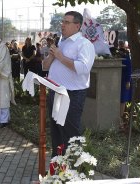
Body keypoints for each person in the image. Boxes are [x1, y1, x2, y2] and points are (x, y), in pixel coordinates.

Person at [42, 11, 95, 157]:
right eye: (62, 22)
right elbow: (45, 67)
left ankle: (73, 170)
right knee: (57, 132)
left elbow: (83, 68)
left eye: (66, 22)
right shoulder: (60, 42)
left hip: (72, 95)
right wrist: (52, 56)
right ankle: (57, 169)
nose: (62, 25)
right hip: (55, 92)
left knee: (70, 134)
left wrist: (60, 56)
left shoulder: (84, 44)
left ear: (77, 26)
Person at [118, 40, 132, 129]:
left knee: (123, 100)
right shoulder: (117, 53)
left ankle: (120, 118)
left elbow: (129, 69)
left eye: (121, 45)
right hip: (118, 80)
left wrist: (128, 81)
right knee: (121, 99)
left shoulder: (126, 56)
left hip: (124, 81)